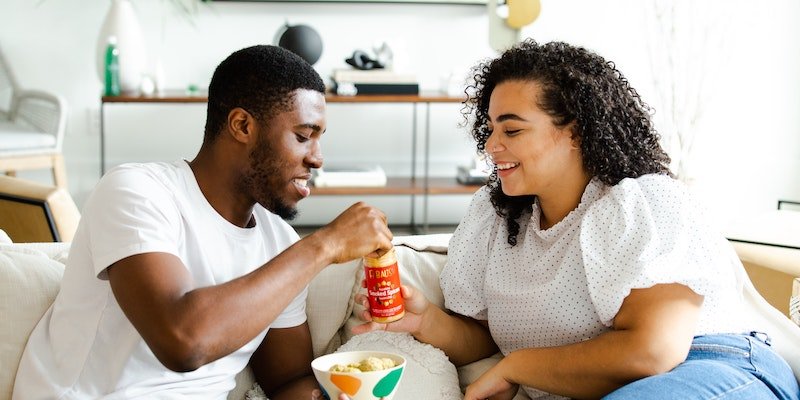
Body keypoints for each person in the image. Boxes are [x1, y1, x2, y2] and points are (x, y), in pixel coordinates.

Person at [353, 39, 800, 399]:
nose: (491, 145)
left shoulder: (643, 202)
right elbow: (482, 336)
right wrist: (424, 320)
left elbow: (653, 352)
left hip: (711, 366)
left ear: (576, 132)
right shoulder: (495, 219)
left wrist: (519, 366)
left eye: (512, 129)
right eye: (490, 129)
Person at [13, 45, 391, 400]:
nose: (318, 158)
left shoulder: (279, 243)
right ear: (242, 125)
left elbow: (287, 379)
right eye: (304, 136)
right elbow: (182, 341)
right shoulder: (138, 192)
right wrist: (325, 244)